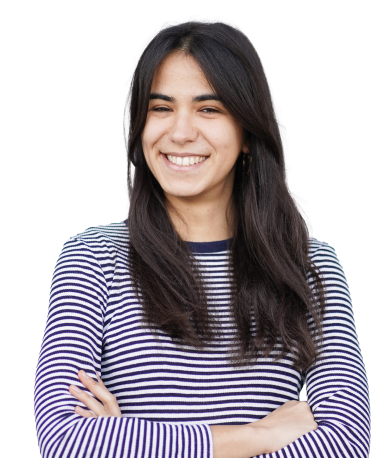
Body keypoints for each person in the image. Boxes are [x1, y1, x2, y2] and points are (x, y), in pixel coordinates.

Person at [33, 16, 371, 458]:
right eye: (161, 108)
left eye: (209, 109)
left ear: (248, 133)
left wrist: (130, 440)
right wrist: (256, 437)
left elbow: (345, 442)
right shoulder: (93, 257)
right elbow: (64, 440)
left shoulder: (308, 265)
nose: (180, 132)